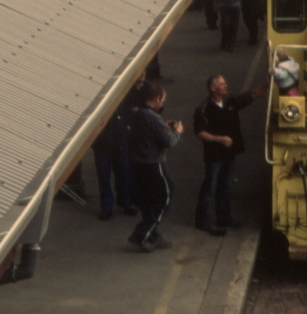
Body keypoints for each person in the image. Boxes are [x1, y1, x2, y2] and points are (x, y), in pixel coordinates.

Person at [193, 75, 268, 234]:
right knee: (210, 186)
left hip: (229, 153)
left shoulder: (230, 101)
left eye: (225, 83)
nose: (226, 86)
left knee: (225, 186)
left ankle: (224, 216)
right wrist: (219, 139)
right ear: (213, 88)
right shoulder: (204, 109)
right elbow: (200, 133)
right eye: (222, 84)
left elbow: (251, 95)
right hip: (214, 155)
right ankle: (201, 219)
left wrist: (268, 84)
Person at [128, 81, 183, 252]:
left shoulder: (138, 114)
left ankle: (154, 235)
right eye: (163, 100)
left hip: (137, 163)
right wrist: (177, 131)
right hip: (153, 163)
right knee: (165, 194)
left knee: (147, 200)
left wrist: (163, 128)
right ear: (157, 98)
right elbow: (169, 141)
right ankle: (142, 234)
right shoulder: (153, 117)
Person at [92, 82, 139, 221]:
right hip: (103, 142)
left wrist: (128, 127)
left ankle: (124, 200)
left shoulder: (124, 91)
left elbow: (129, 109)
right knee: (104, 176)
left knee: (124, 172)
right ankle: (107, 206)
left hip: (120, 139)